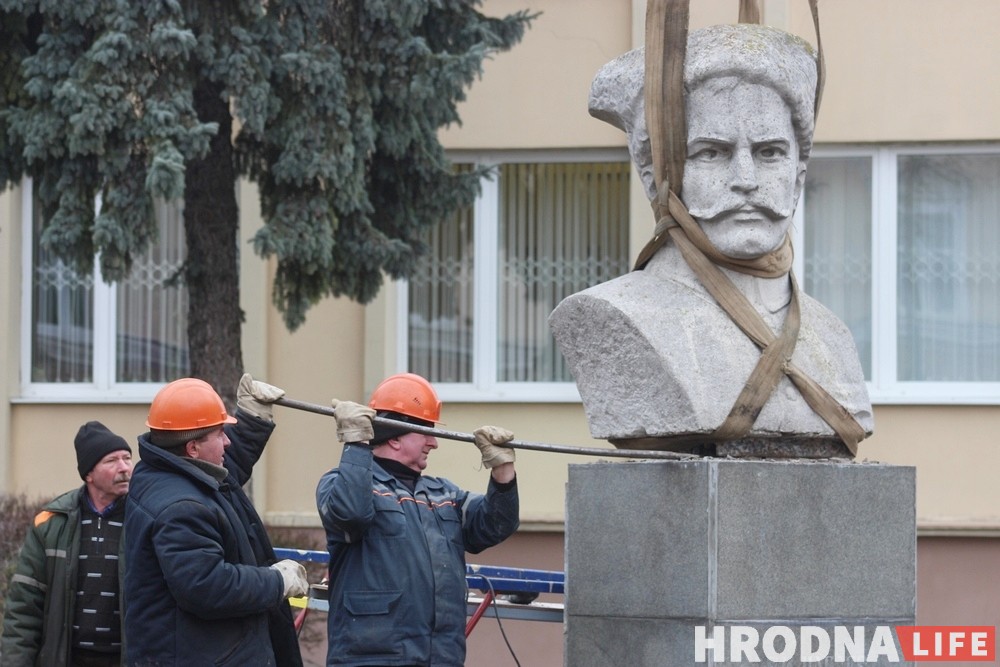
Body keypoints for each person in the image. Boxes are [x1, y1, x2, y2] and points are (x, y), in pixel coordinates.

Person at [548, 24, 873, 457]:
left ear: (798, 176)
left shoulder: (833, 338)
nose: (746, 181)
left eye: (770, 152)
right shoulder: (618, 317)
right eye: (711, 152)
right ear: (654, 180)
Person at [315, 372, 519, 666]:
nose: (434, 443)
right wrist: (356, 444)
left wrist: (503, 473)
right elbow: (351, 514)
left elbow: (494, 524)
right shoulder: (339, 484)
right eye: (426, 432)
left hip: (439, 658)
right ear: (395, 436)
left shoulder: (444, 493)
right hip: (372, 660)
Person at [122, 375, 308, 667]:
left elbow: (224, 475)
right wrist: (276, 582)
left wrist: (253, 418)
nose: (227, 441)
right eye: (220, 433)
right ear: (193, 449)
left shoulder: (164, 473)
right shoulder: (181, 508)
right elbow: (206, 585)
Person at [1, 421, 133, 667]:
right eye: (112, 461)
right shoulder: (51, 523)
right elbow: (24, 609)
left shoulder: (145, 518)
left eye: (127, 458)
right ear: (89, 474)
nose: (124, 468)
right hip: (68, 658)